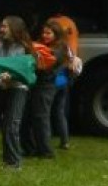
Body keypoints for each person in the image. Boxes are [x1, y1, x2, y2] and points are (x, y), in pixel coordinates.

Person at [0, 16, 33, 170]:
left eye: (5, 27)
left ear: (14, 28)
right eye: (1, 26)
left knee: (11, 125)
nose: (1, 30)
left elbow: (26, 70)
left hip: (17, 89)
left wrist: (12, 75)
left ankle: (13, 162)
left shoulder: (24, 48)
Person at [25, 21, 67, 160]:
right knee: (31, 117)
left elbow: (50, 61)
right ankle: (31, 148)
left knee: (41, 117)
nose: (45, 35)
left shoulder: (60, 47)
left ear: (56, 34)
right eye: (44, 33)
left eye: (48, 33)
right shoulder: (42, 45)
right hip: (36, 85)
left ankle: (46, 151)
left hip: (47, 86)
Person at [48, 14, 81, 150]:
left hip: (53, 82)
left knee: (46, 111)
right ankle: (64, 140)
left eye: (47, 32)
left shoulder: (51, 48)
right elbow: (73, 62)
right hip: (63, 82)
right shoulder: (66, 47)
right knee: (60, 111)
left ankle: (45, 139)